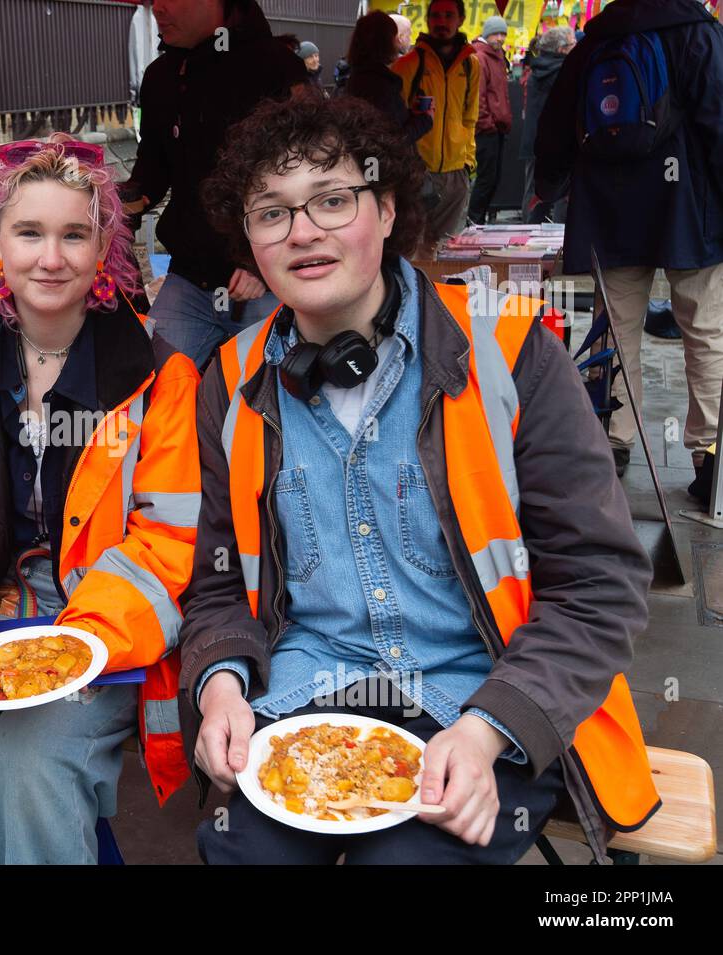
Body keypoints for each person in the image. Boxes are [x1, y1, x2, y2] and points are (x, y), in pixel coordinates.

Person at [182, 94, 659, 864]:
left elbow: (599, 584)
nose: (303, 232)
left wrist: (490, 728)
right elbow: (211, 582)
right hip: (304, 696)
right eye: (271, 213)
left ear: (390, 206)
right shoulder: (229, 382)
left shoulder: (511, 354)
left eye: (333, 200)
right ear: (249, 241)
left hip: (482, 700)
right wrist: (221, 684)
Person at [0, 137, 200, 864]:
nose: (50, 258)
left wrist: (73, 644)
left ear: (104, 250)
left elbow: (171, 540)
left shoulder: (161, 376)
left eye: (73, 234)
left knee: (29, 770)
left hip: (105, 633)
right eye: (29, 233)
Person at [534, 0, 723, 493]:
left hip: (609, 203)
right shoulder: (698, 32)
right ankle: (709, 457)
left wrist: (550, 184)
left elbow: (556, 123)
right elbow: (719, 119)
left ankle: (613, 441)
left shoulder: (598, 36)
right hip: (688, 203)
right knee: (704, 328)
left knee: (614, 328)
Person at [125, 0, 306, 370]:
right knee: (147, 384)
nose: (157, 9)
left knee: (277, 399)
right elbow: (152, 170)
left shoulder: (276, 67)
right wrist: (111, 207)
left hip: (269, 277)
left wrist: (261, 260)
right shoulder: (161, 75)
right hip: (190, 277)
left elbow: (306, 176)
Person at [391, 0, 482, 252]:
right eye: (436, 16)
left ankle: (441, 292)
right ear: (428, 20)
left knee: (446, 250)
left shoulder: (470, 64)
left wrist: (467, 162)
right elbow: (394, 123)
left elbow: (470, 117)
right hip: (419, 172)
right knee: (412, 249)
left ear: (461, 19)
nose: (442, 22)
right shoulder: (408, 65)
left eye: (449, 15)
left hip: (456, 172)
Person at [343, 10, 434, 144]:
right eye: (394, 35)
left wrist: (410, 115)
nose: (398, 41)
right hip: (377, 164)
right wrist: (426, 119)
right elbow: (393, 140)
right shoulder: (380, 85)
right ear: (385, 41)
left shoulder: (358, 76)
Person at [520, 25, 575, 223]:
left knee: (535, 194)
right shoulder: (564, 71)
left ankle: (527, 236)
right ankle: (562, 238)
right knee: (564, 193)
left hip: (535, 142)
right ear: (561, 49)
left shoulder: (537, 69)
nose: (576, 47)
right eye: (572, 44)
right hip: (558, 142)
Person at [467, 16, 513, 224]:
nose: (500, 38)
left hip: (497, 128)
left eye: (503, 33)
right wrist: (486, 124)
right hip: (487, 130)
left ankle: (478, 221)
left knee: (492, 179)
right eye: (496, 33)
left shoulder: (497, 56)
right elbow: (478, 96)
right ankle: (475, 221)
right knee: (486, 179)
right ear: (487, 33)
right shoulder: (480, 57)